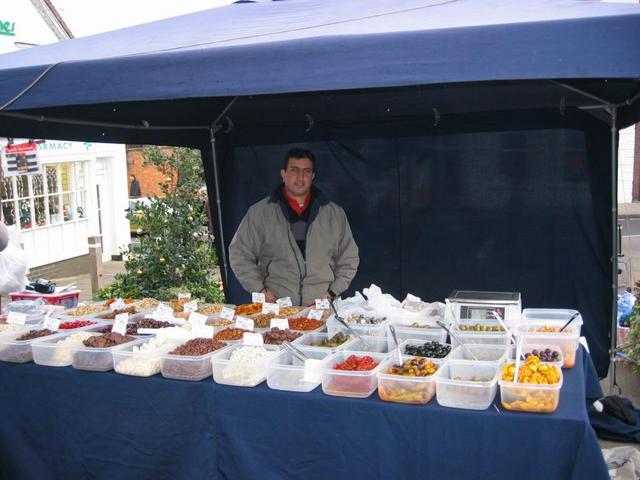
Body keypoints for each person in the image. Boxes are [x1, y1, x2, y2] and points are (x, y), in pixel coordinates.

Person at [229, 147, 359, 306]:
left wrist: (333, 292)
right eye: (294, 170)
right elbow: (239, 254)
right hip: (277, 307)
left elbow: (349, 258)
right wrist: (260, 290)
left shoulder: (334, 214)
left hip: (323, 307)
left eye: (306, 171)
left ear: (313, 176)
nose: (300, 177)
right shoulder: (259, 213)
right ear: (283, 174)